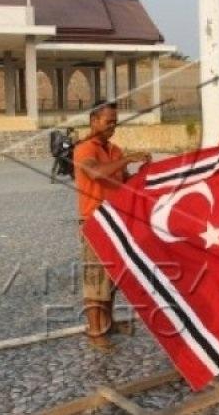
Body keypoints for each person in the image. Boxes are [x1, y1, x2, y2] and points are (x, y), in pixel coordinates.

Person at [73, 100, 151, 350]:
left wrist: (142, 171)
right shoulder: (85, 149)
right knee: (95, 279)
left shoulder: (114, 150)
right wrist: (128, 159)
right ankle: (95, 331)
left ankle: (107, 322)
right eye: (108, 122)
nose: (112, 127)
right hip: (95, 222)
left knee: (112, 278)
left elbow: (123, 181)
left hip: (115, 222)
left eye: (115, 122)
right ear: (94, 121)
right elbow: (96, 174)